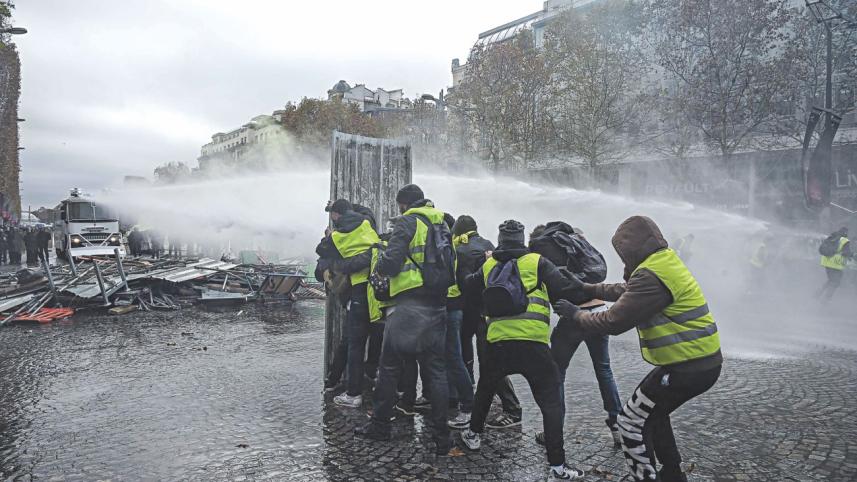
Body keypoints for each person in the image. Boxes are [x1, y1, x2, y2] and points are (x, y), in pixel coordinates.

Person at [554, 215, 721, 482]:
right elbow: (627, 289)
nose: (622, 260)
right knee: (654, 412)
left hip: (688, 367)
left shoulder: (651, 274)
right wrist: (585, 287)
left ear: (631, 249)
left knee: (631, 421)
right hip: (697, 361)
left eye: (623, 254)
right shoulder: (663, 261)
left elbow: (613, 321)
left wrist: (576, 315)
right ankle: (672, 473)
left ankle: (643, 477)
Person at [459, 220, 585, 480]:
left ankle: (473, 435)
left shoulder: (490, 264)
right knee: (550, 403)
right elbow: (564, 289)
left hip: (498, 343)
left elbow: (468, 287)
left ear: (500, 239)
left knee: (485, 389)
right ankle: (558, 467)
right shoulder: (537, 262)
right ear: (522, 239)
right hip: (534, 344)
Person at [355, 183, 453, 457]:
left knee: (389, 367)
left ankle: (380, 426)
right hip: (438, 305)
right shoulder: (442, 222)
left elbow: (391, 263)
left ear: (404, 204)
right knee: (436, 372)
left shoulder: (408, 221)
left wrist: (382, 259)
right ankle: (442, 438)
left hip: (410, 305)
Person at [528, 223, 623, 448]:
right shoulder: (574, 244)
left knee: (557, 371)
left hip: (573, 317)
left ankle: (553, 430)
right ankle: (617, 423)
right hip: (599, 310)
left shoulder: (542, 250)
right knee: (603, 368)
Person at [453, 214, 523, 429]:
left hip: (471, 310)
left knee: (478, 356)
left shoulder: (461, 250)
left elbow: (466, 283)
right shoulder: (489, 246)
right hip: (494, 312)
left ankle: (505, 406)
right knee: (490, 359)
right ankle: (490, 397)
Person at [320, 199, 380, 408]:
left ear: (336, 216)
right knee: (379, 335)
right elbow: (367, 211)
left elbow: (322, 255)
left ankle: (353, 394)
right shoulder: (366, 223)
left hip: (358, 290)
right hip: (379, 287)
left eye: (333, 214)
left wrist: (328, 238)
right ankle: (373, 375)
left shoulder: (335, 238)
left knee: (354, 342)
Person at [819, 227, 851, 300]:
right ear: (845, 233)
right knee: (836, 282)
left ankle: (820, 292)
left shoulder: (831, 237)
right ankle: (826, 298)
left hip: (827, 263)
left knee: (831, 280)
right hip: (836, 264)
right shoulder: (845, 241)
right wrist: (851, 255)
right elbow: (846, 253)